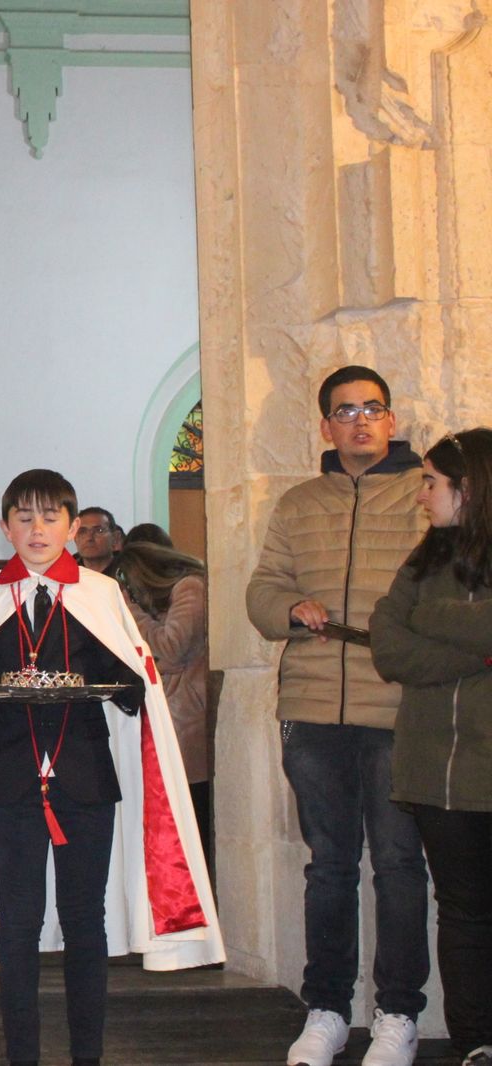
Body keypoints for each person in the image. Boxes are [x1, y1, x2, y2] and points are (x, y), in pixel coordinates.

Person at [0, 468, 222, 1066]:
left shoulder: (100, 595)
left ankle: (87, 1056)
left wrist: (102, 685)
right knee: (18, 924)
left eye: (50, 517)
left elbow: (132, 687)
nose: (37, 530)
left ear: (72, 525)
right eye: (24, 517)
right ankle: (23, 1056)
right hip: (12, 780)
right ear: (4, 527)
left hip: (86, 777)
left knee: (83, 921)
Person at [245, 365, 429, 1066]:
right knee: (329, 868)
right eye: (344, 411)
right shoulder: (299, 503)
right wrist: (289, 609)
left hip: (398, 710)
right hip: (314, 708)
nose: (358, 421)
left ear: (390, 419)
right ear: (325, 426)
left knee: (399, 867)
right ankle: (325, 1008)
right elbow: (264, 587)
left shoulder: (424, 496)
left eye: (372, 409)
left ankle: (398, 1015)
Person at [370, 427, 492, 1066]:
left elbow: (413, 628)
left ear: (467, 490)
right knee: (465, 917)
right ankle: (478, 1044)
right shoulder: (422, 561)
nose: (422, 495)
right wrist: (479, 651)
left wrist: (433, 627)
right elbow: (388, 646)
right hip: (437, 775)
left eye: (431, 483)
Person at [112, 539, 213, 867]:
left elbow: (169, 649)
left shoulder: (190, 588)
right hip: (174, 714)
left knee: (194, 821)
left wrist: (130, 609)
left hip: (189, 719)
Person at [72, 506, 122, 574]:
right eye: (82, 532)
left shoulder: (128, 573)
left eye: (99, 530)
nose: (89, 538)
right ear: (75, 538)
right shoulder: (65, 574)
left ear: (115, 538)